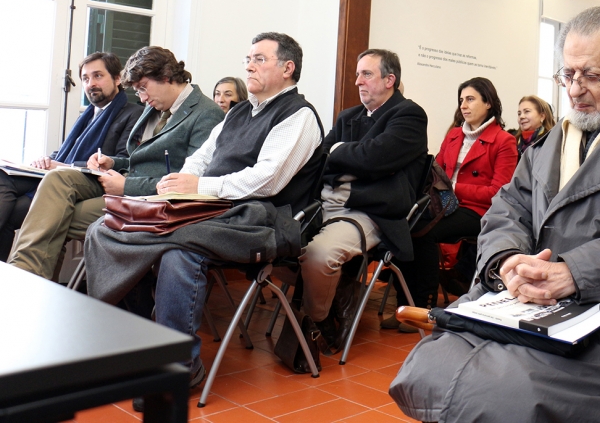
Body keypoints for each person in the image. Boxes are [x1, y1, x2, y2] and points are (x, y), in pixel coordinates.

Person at [390, 5, 600, 422]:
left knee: (504, 396)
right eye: (567, 74)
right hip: (522, 300)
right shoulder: (551, 144)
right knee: (427, 371)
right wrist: (506, 261)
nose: (574, 89)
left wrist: (574, 273)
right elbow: (507, 208)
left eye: (590, 74)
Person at [84, 32, 324, 393]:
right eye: (248, 58)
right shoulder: (241, 111)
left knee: (181, 251)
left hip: (261, 219)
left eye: (260, 59)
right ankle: (133, 343)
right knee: (108, 227)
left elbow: (267, 181)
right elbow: (203, 157)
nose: (248, 65)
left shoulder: (298, 115)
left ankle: (177, 366)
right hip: (211, 209)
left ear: (288, 68)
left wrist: (199, 187)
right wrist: (178, 181)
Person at [8, 46, 224, 279]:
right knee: (57, 178)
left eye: (143, 88)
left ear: (166, 76)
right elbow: (138, 160)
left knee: (54, 216)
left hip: (154, 201)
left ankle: (24, 278)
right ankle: (26, 276)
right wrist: (112, 162)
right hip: (128, 184)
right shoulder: (156, 105)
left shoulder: (206, 113)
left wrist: (125, 187)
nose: (142, 98)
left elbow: (188, 183)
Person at [299, 48, 428, 354]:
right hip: (327, 204)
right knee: (278, 245)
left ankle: (318, 323)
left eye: (366, 74)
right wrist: (350, 158)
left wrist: (341, 153)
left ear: (389, 80)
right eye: (357, 74)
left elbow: (375, 158)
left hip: (372, 212)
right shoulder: (348, 117)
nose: (358, 81)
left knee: (318, 255)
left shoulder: (409, 115)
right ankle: (339, 294)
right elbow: (319, 160)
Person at [384, 78, 517, 331]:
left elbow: (499, 192)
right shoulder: (455, 135)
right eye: (461, 100)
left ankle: (423, 307)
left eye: (470, 99)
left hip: (479, 211)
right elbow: (437, 174)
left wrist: (453, 188)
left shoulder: (503, 141)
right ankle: (405, 305)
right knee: (403, 225)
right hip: (444, 204)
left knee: (423, 232)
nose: (463, 106)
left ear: (488, 102)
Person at [0, 52, 143, 260]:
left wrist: (60, 166)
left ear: (117, 78)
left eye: (98, 76)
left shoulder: (133, 114)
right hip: (57, 173)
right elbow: (65, 151)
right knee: (3, 176)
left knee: (11, 214)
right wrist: (47, 160)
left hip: (85, 182)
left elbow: (121, 162)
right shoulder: (87, 114)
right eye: (85, 78)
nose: (91, 83)